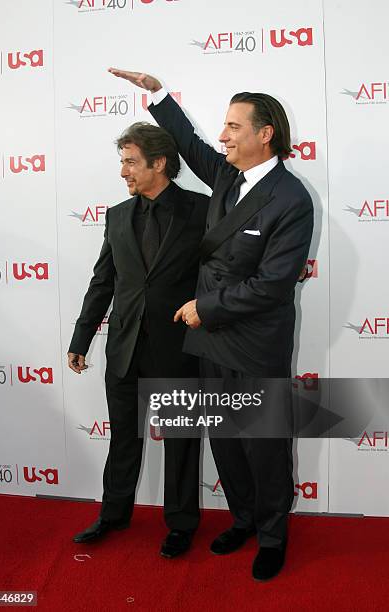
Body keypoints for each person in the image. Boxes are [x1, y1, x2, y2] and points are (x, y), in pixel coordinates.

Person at [108, 69, 314, 581]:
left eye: (233, 127)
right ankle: (243, 519)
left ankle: (272, 535)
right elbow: (187, 140)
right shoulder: (225, 175)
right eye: (223, 127)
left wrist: (208, 307)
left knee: (263, 445)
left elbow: (273, 284)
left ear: (264, 134)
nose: (222, 136)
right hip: (209, 342)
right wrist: (157, 93)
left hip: (254, 343)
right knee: (225, 440)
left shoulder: (292, 199)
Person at [68, 121, 209, 558]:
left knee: (181, 443)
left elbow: (220, 274)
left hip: (179, 348)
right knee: (123, 438)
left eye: (131, 162)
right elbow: (103, 281)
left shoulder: (202, 210)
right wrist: (81, 336)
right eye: (122, 162)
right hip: (124, 349)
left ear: (159, 163)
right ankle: (113, 514)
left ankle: (182, 523)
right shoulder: (117, 216)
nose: (124, 172)